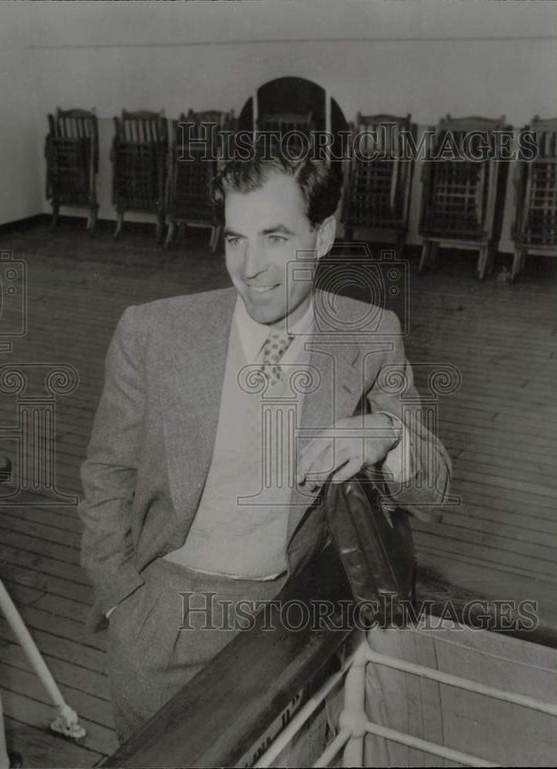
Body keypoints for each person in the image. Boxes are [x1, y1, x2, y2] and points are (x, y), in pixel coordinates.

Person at [78, 151, 451, 742]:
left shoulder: (370, 335)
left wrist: (389, 432)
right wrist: (124, 600)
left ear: (323, 234)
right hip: (160, 618)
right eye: (235, 240)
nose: (250, 267)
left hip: (288, 622)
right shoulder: (152, 333)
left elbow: (433, 489)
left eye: (275, 238)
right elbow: (106, 476)